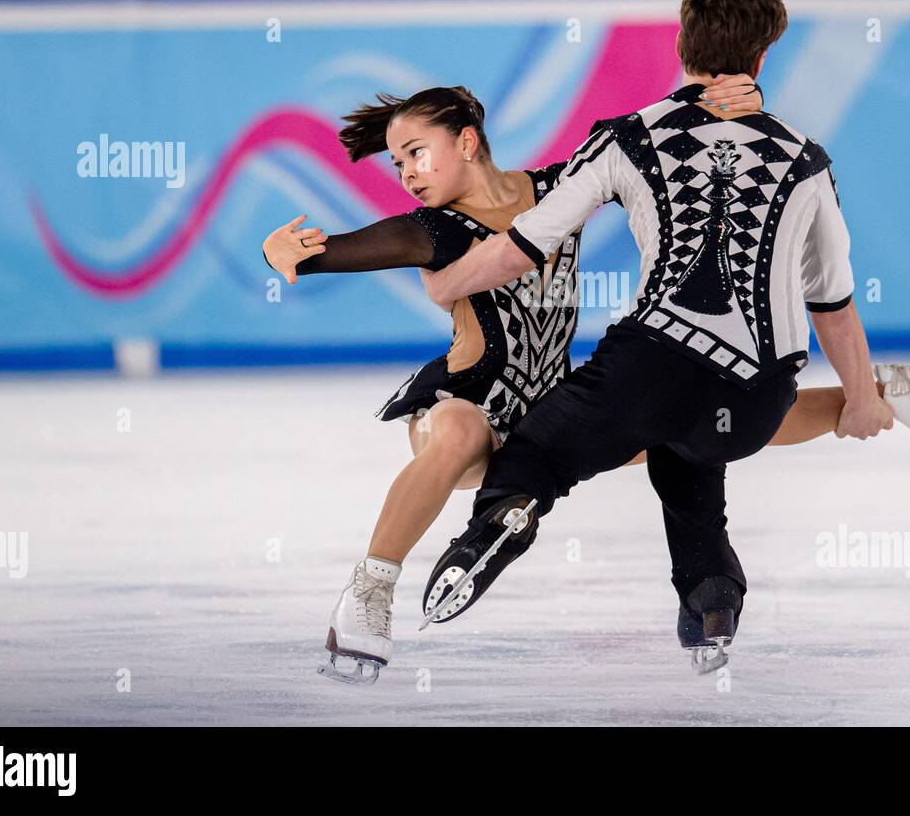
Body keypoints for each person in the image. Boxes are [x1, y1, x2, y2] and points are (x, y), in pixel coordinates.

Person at [416, 0, 910, 670]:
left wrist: (449, 281)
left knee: (537, 456)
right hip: (756, 394)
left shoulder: (627, 136)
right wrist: (857, 400)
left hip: (645, 369)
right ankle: (711, 601)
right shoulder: (805, 159)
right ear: (761, 55)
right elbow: (834, 308)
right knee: (690, 450)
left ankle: (499, 522)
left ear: (681, 44)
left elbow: (525, 247)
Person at [262, 78, 767, 681]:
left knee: (700, 411)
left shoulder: (561, 189)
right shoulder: (433, 230)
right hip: (463, 404)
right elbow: (324, 253)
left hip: (554, 417)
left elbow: (628, 138)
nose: (408, 174)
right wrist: (277, 252)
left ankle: (877, 400)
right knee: (458, 432)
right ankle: (367, 598)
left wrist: (695, 96)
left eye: (417, 154)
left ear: (468, 141)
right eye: (398, 164)